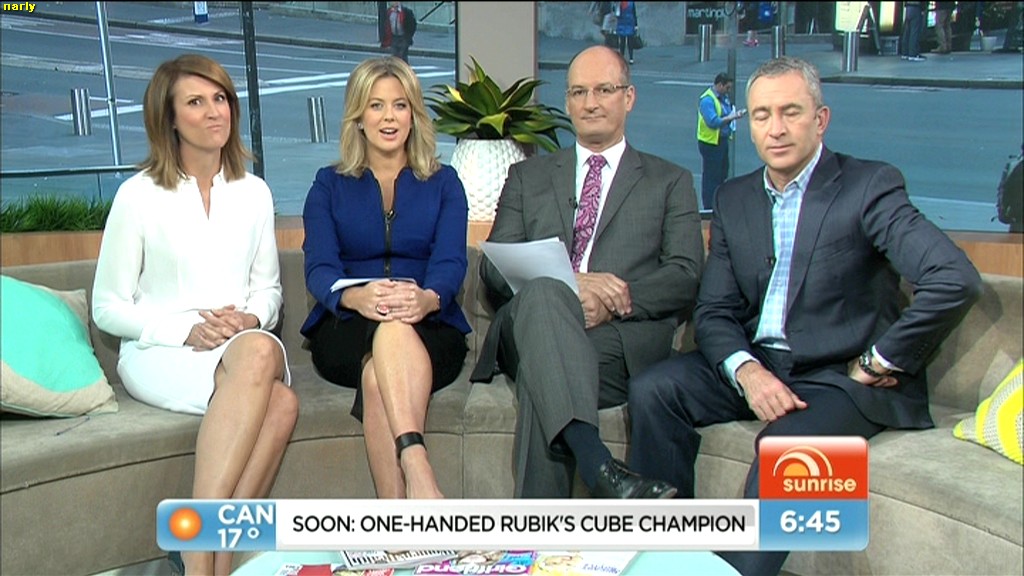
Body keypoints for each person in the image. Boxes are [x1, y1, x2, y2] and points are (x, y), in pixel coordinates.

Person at [626, 56, 982, 576]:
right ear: (749, 125)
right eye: (761, 115)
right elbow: (715, 309)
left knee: (785, 447)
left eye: (790, 112)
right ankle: (666, 560)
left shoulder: (868, 186)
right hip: (762, 362)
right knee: (654, 390)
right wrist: (748, 372)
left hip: (840, 378)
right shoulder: (734, 198)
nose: (775, 128)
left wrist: (880, 360)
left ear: (820, 119)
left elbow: (955, 278)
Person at [91, 54, 297, 576]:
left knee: (281, 399)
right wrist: (185, 330)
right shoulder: (138, 196)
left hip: (239, 346)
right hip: (160, 351)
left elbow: (268, 292)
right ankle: (204, 560)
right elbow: (107, 307)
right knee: (272, 387)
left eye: (220, 98)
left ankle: (208, 559)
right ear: (170, 119)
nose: (213, 112)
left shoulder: (254, 192)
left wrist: (248, 320)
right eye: (196, 102)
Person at [469, 45, 705, 499]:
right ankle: (600, 468)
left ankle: (540, 536)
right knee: (545, 297)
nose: (590, 102)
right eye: (578, 92)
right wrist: (570, 284)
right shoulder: (528, 176)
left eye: (603, 90)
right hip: (529, 325)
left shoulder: (669, 181)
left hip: (616, 340)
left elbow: (685, 273)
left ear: (629, 97)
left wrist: (614, 299)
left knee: (546, 374)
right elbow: (495, 266)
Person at [301, 56, 470, 500]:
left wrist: (428, 298)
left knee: (379, 374)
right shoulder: (328, 185)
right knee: (387, 332)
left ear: (413, 115)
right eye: (376, 106)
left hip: (431, 324)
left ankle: (395, 518)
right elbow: (319, 266)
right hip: (347, 326)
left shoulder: (445, 183)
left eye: (399, 105)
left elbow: (451, 261)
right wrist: (356, 296)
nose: (389, 117)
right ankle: (418, 469)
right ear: (358, 117)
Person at [697, 73, 746, 211]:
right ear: (720, 85)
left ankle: (718, 202)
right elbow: (713, 122)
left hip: (721, 140)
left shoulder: (723, 98)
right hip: (710, 143)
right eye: (727, 88)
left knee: (722, 173)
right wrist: (732, 117)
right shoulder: (707, 101)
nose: (728, 91)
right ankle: (709, 206)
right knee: (711, 177)